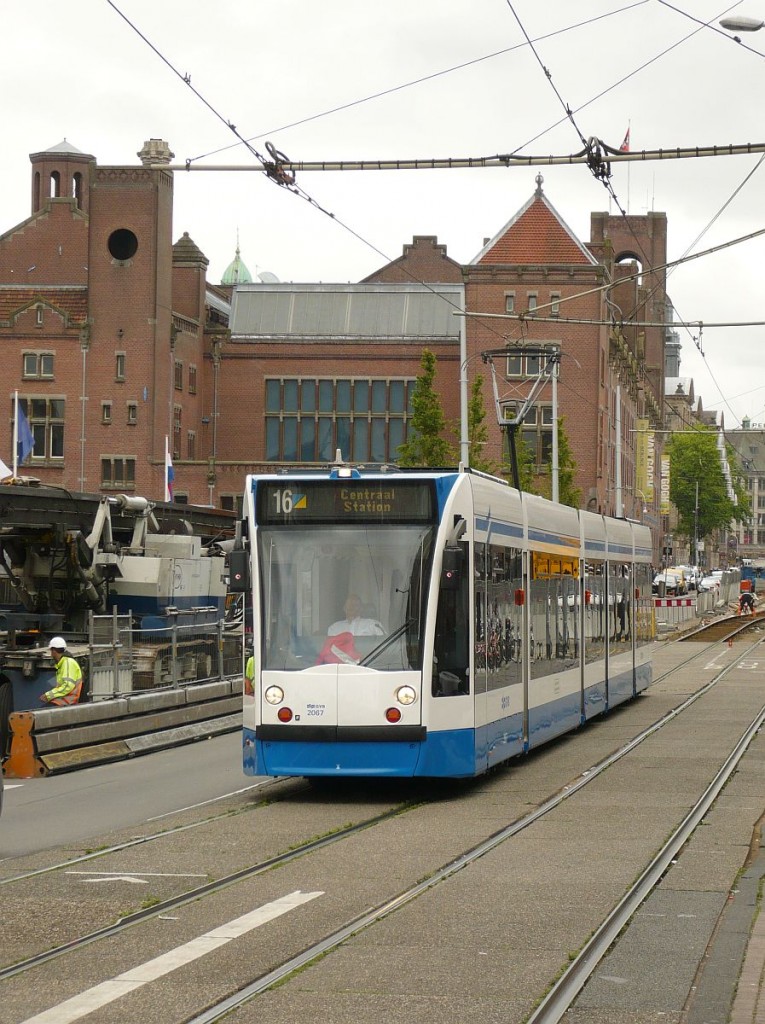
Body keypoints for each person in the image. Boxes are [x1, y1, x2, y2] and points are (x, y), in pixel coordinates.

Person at [40, 637, 83, 706]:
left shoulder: (68, 663)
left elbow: (67, 686)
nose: (51, 654)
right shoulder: (63, 663)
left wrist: (48, 695)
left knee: (42, 713)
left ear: (54, 651)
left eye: (51, 651)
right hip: (64, 700)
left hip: (67, 701)